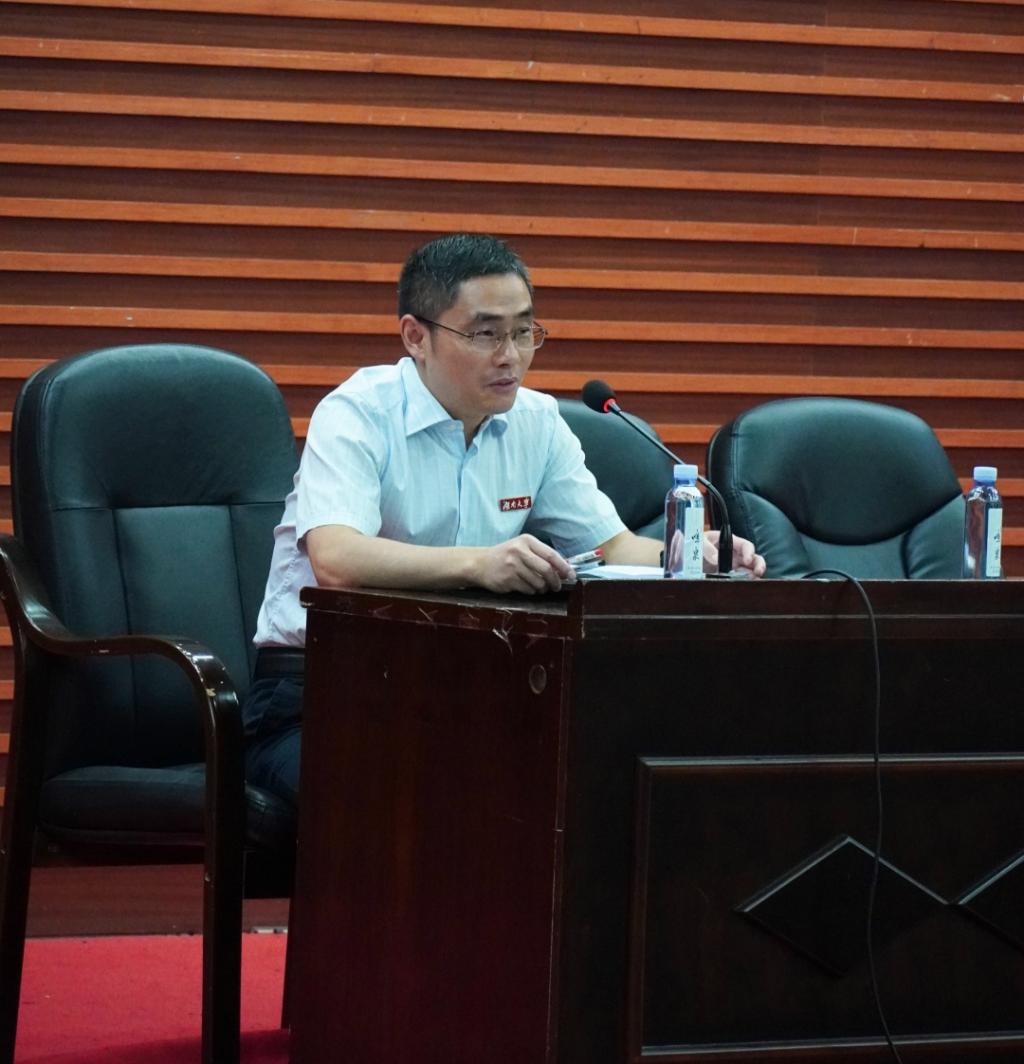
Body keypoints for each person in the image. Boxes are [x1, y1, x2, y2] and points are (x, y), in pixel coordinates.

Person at [244, 232, 765, 806]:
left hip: (461, 690)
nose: (510, 355)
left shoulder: (536, 423)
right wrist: (481, 565)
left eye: (523, 332)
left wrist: (692, 554)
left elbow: (612, 548)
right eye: (485, 334)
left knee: (597, 779)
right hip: (320, 693)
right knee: (422, 799)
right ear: (416, 337)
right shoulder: (358, 413)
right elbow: (337, 558)